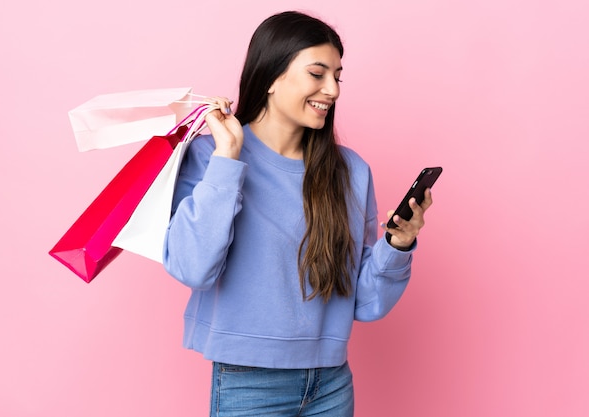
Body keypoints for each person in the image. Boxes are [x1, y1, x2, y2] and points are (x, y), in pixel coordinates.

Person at [163, 10, 433, 417]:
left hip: (331, 383)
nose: (333, 90)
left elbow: (365, 302)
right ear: (271, 77)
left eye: (337, 76)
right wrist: (227, 160)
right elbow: (191, 267)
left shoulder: (351, 171)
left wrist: (399, 243)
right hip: (249, 382)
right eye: (317, 73)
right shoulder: (208, 157)